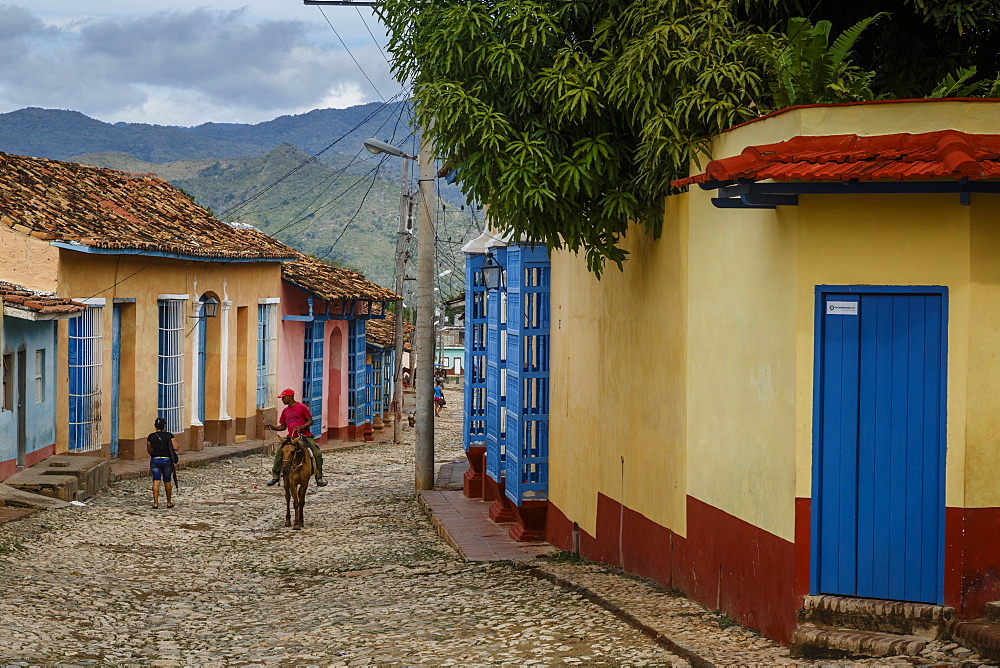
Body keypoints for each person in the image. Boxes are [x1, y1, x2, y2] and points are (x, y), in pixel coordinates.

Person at [264, 388, 327, 487]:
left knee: (316, 453)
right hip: (291, 437)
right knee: (280, 452)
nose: (282, 400)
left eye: (283, 398)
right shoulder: (285, 411)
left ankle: (319, 476)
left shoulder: (302, 407)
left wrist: (301, 427)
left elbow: (310, 421)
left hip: (304, 436)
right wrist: (274, 427)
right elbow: (283, 426)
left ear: (290, 397)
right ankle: (276, 476)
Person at [146, 417, 178, 509]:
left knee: (156, 480)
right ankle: (168, 502)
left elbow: (148, 449)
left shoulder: (151, 436)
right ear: (164, 426)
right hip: (166, 460)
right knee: (167, 480)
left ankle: (155, 503)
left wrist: (154, 454)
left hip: (155, 460)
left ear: (155, 426)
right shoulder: (169, 436)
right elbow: (176, 447)